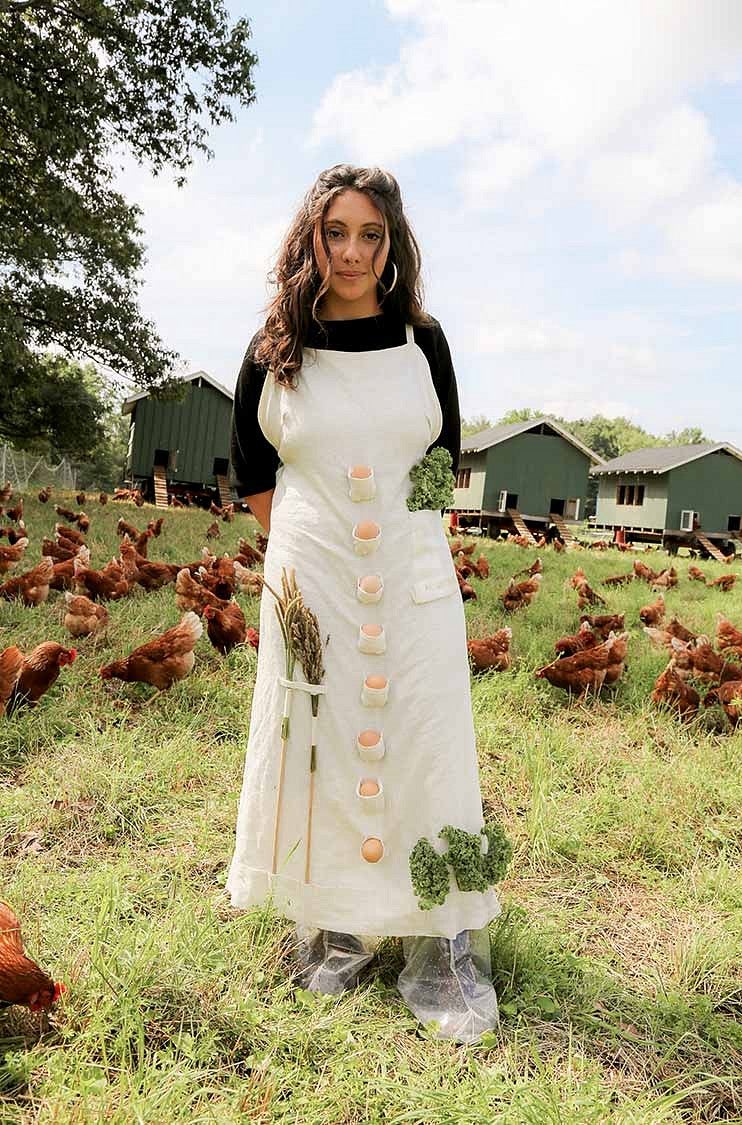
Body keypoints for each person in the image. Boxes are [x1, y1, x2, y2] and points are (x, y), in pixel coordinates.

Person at [226, 164, 502, 1043]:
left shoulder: (425, 341)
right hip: (317, 579)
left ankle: (443, 944)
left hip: (413, 571)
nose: (351, 251)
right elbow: (255, 475)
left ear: (393, 244)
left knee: (428, 742)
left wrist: (394, 534)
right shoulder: (276, 349)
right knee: (322, 748)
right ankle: (335, 924)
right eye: (336, 232)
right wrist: (317, 549)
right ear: (310, 237)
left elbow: (442, 458)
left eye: (370, 235)